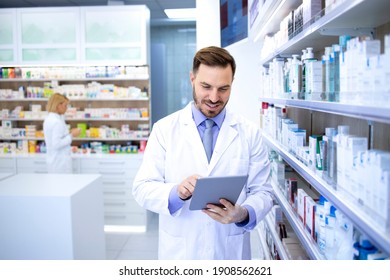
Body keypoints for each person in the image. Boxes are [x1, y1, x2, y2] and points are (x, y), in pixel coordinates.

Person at [133, 46, 273, 260]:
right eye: (206, 86)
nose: (214, 97)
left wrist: (243, 213)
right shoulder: (165, 129)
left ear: (232, 83)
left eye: (223, 89)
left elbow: (263, 191)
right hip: (181, 252)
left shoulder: (249, 132)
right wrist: (176, 192)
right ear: (192, 79)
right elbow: (142, 188)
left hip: (229, 250)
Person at [43, 93, 80, 173]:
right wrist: (72, 135)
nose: (66, 108)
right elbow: (56, 144)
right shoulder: (56, 122)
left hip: (54, 160)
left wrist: (69, 146)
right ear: (58, 105)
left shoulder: (49, 118)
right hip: (60, 164)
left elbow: (57, 138)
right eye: (65, 105)